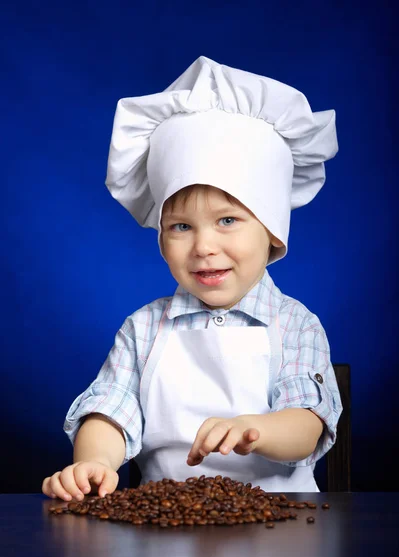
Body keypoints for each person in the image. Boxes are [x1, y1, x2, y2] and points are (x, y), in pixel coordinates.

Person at [42, 56, 342, 502]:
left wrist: (253, 429)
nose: (203, 246)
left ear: (273, 230)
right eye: (181, 227)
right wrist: (95, 462)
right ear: (161, 241)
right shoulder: (143, 329)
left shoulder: (296, 324)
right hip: (161, 528)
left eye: (227, 221)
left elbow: (306, 424)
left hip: (283, 525)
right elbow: (110, 411)